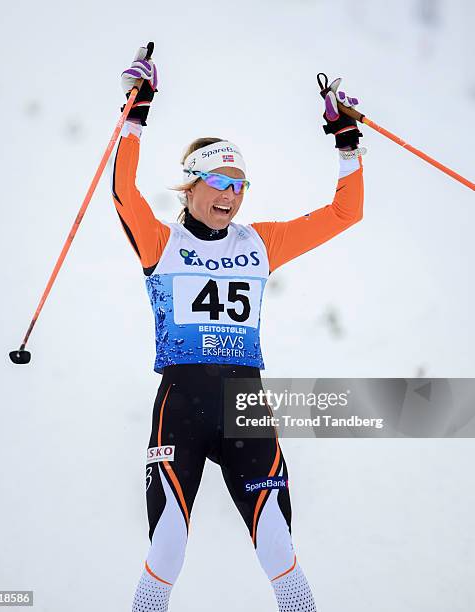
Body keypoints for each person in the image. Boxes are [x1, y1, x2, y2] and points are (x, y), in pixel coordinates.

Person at [112, 47, 365, 612]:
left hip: (244, 404)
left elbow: (345, 214)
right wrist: (136, 113)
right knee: (170, 545)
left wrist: (346, 144)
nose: (230, 196)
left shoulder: (259, 244)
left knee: (278, 546)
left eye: (240, 185)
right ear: (191, 186)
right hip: (181, 400)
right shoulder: (161, 242)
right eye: (220, 182)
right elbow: (123, 193)